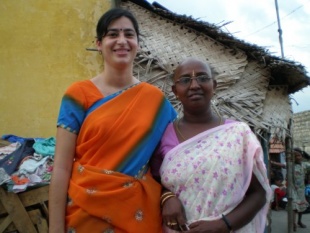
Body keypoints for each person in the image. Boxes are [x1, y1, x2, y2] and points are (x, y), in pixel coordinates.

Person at [48, 8, 177, 233]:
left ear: (138, 43)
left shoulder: (155, 102)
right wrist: (55, 228)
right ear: (99, 43)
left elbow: (170, 161)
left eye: (129, 34)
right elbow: (60, 167)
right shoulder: (78, 94)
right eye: (112, 34)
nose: (122, 41)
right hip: (83, 213)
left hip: (136, 214)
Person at [151, 57, 271, 232]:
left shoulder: (238, 134)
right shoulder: (163, 134)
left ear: (214, 86)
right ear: (175, 90)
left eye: (202, 78)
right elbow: (151, 181)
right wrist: (166, 197)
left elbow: (259, 194)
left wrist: (223, 224)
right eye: (185, 80)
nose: (194, 85)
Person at [292, 148, 310, 231]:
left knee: (301, 207)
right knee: (294, 207)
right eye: (295, 156)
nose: (297, 157)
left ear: (301, 156)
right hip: (293, 189)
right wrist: (272, 162)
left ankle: (299, 221)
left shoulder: (304, 165)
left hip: (301, 190)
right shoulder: (290, 165)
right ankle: (293, 223)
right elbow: (282, 165)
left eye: (299, 155)